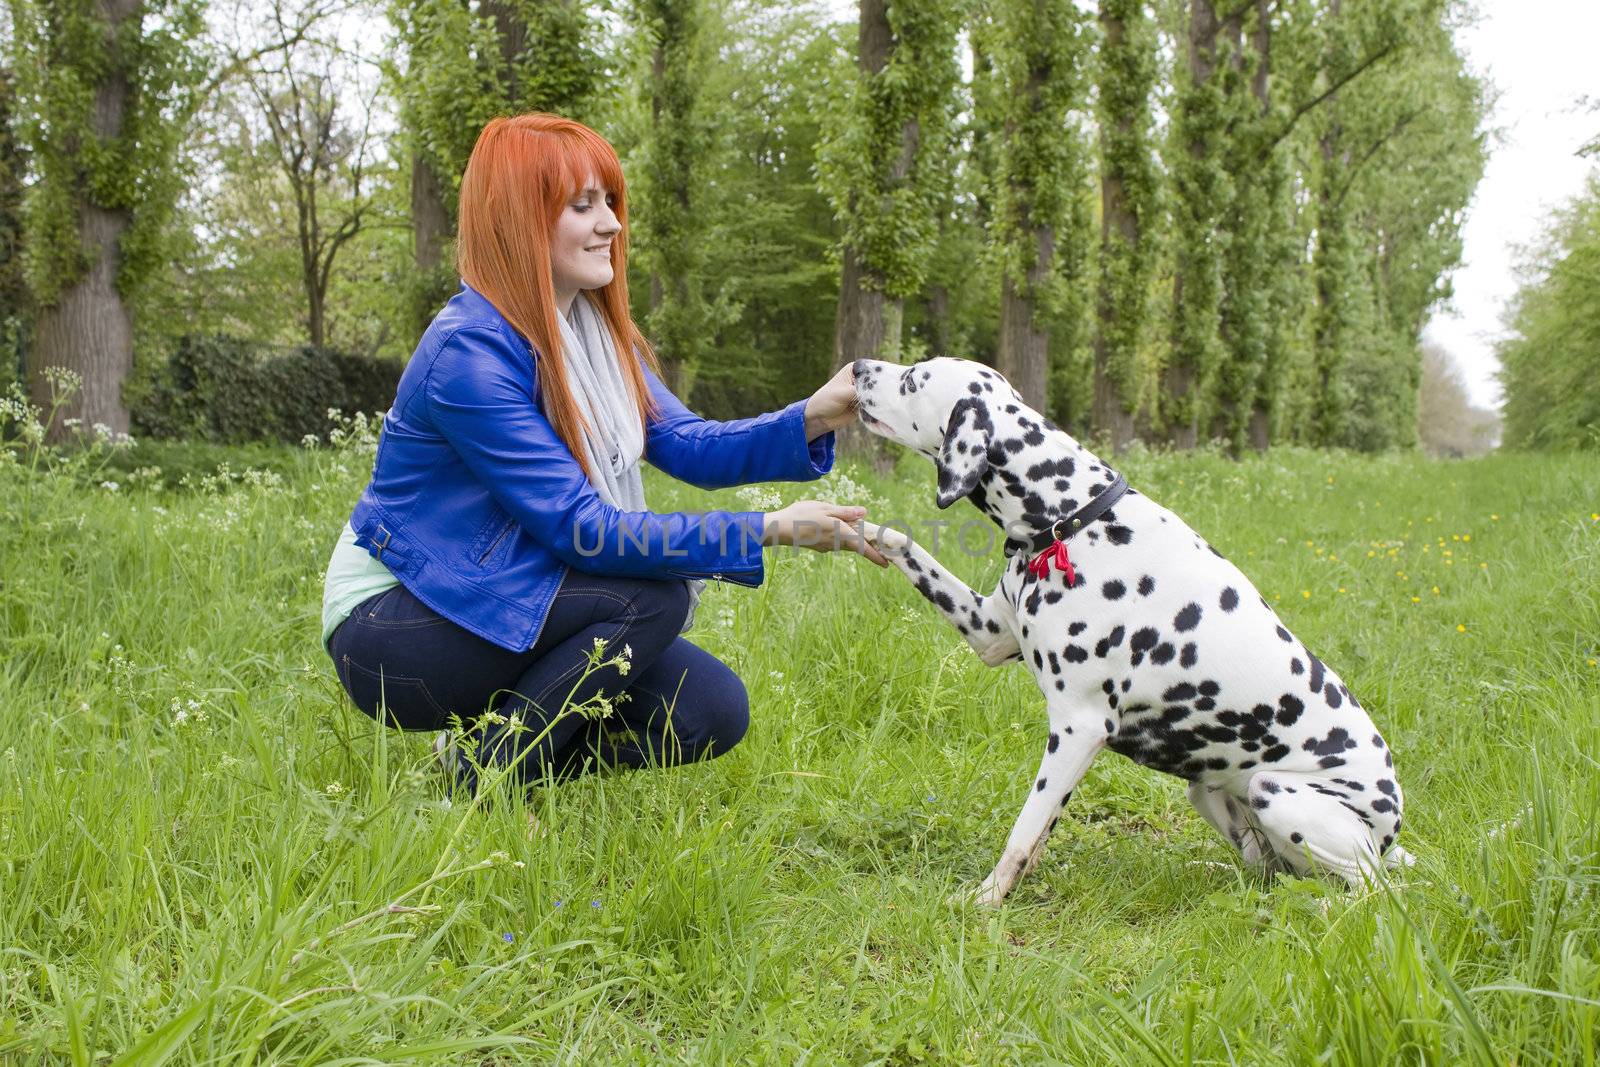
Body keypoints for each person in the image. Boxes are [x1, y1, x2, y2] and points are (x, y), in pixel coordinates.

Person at [321, 113, 885, 794]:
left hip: (504, 584)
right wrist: (769, 527)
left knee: (708, 711)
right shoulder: (467, 353)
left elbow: (685, 442)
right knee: (652, 596)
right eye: (583, 205)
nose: (613, 224)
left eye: (611, 202)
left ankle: (474, 757)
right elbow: (585, 531)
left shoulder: (588, 330)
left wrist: (813, 416)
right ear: (520, 219)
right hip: (398, 620)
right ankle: (489, 782)